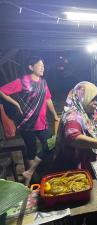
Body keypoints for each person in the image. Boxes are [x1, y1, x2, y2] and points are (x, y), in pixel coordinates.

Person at [0, 56, 59, 186]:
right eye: (39, 65)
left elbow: (48, 99)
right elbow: (2, 91)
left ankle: (30, 171)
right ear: (31, 67)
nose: (42, 67)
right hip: (27, 122)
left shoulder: (44, 83)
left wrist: (54, 114)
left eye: (43, 65)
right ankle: (32, 182)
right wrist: (15, 103)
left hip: (42, 122)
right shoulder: (22, 81)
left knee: (51, 143)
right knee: (31, 151)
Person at [53, 81, 97, 174]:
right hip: (72, 169)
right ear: (82, 97)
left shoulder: (83, 112)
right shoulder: (73, 115)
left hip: (83, 163)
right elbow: (73, 137)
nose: (96, 103)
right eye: (92, 99)